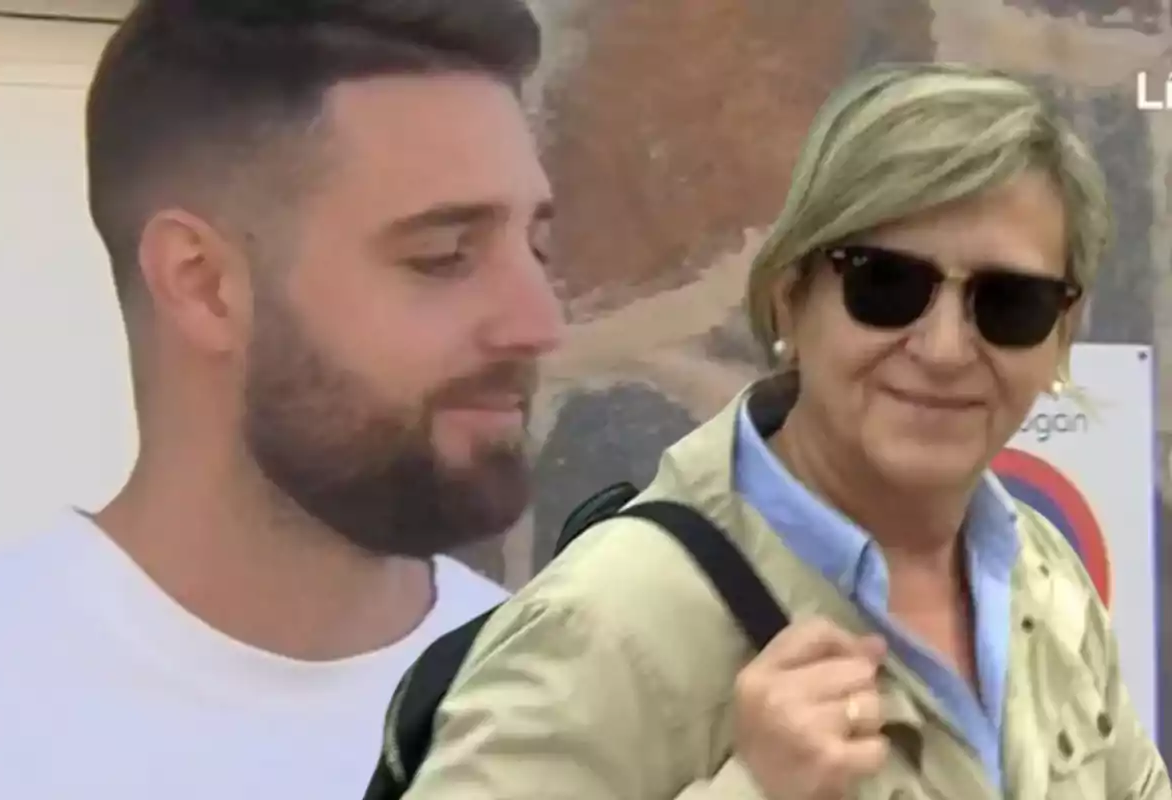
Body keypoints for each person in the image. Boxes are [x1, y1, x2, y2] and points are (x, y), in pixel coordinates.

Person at [391, 63, 1170, 799]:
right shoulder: (613, 619)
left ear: (1061, 337)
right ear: (792, 297)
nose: (943, 350)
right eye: (885, 285)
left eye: (1009, 304)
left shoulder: (1041, 575)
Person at [0, 0, 562, 797]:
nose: (539, 324)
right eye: (444, 256)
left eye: (538, 248)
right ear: (205, 286)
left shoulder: (569, 703)